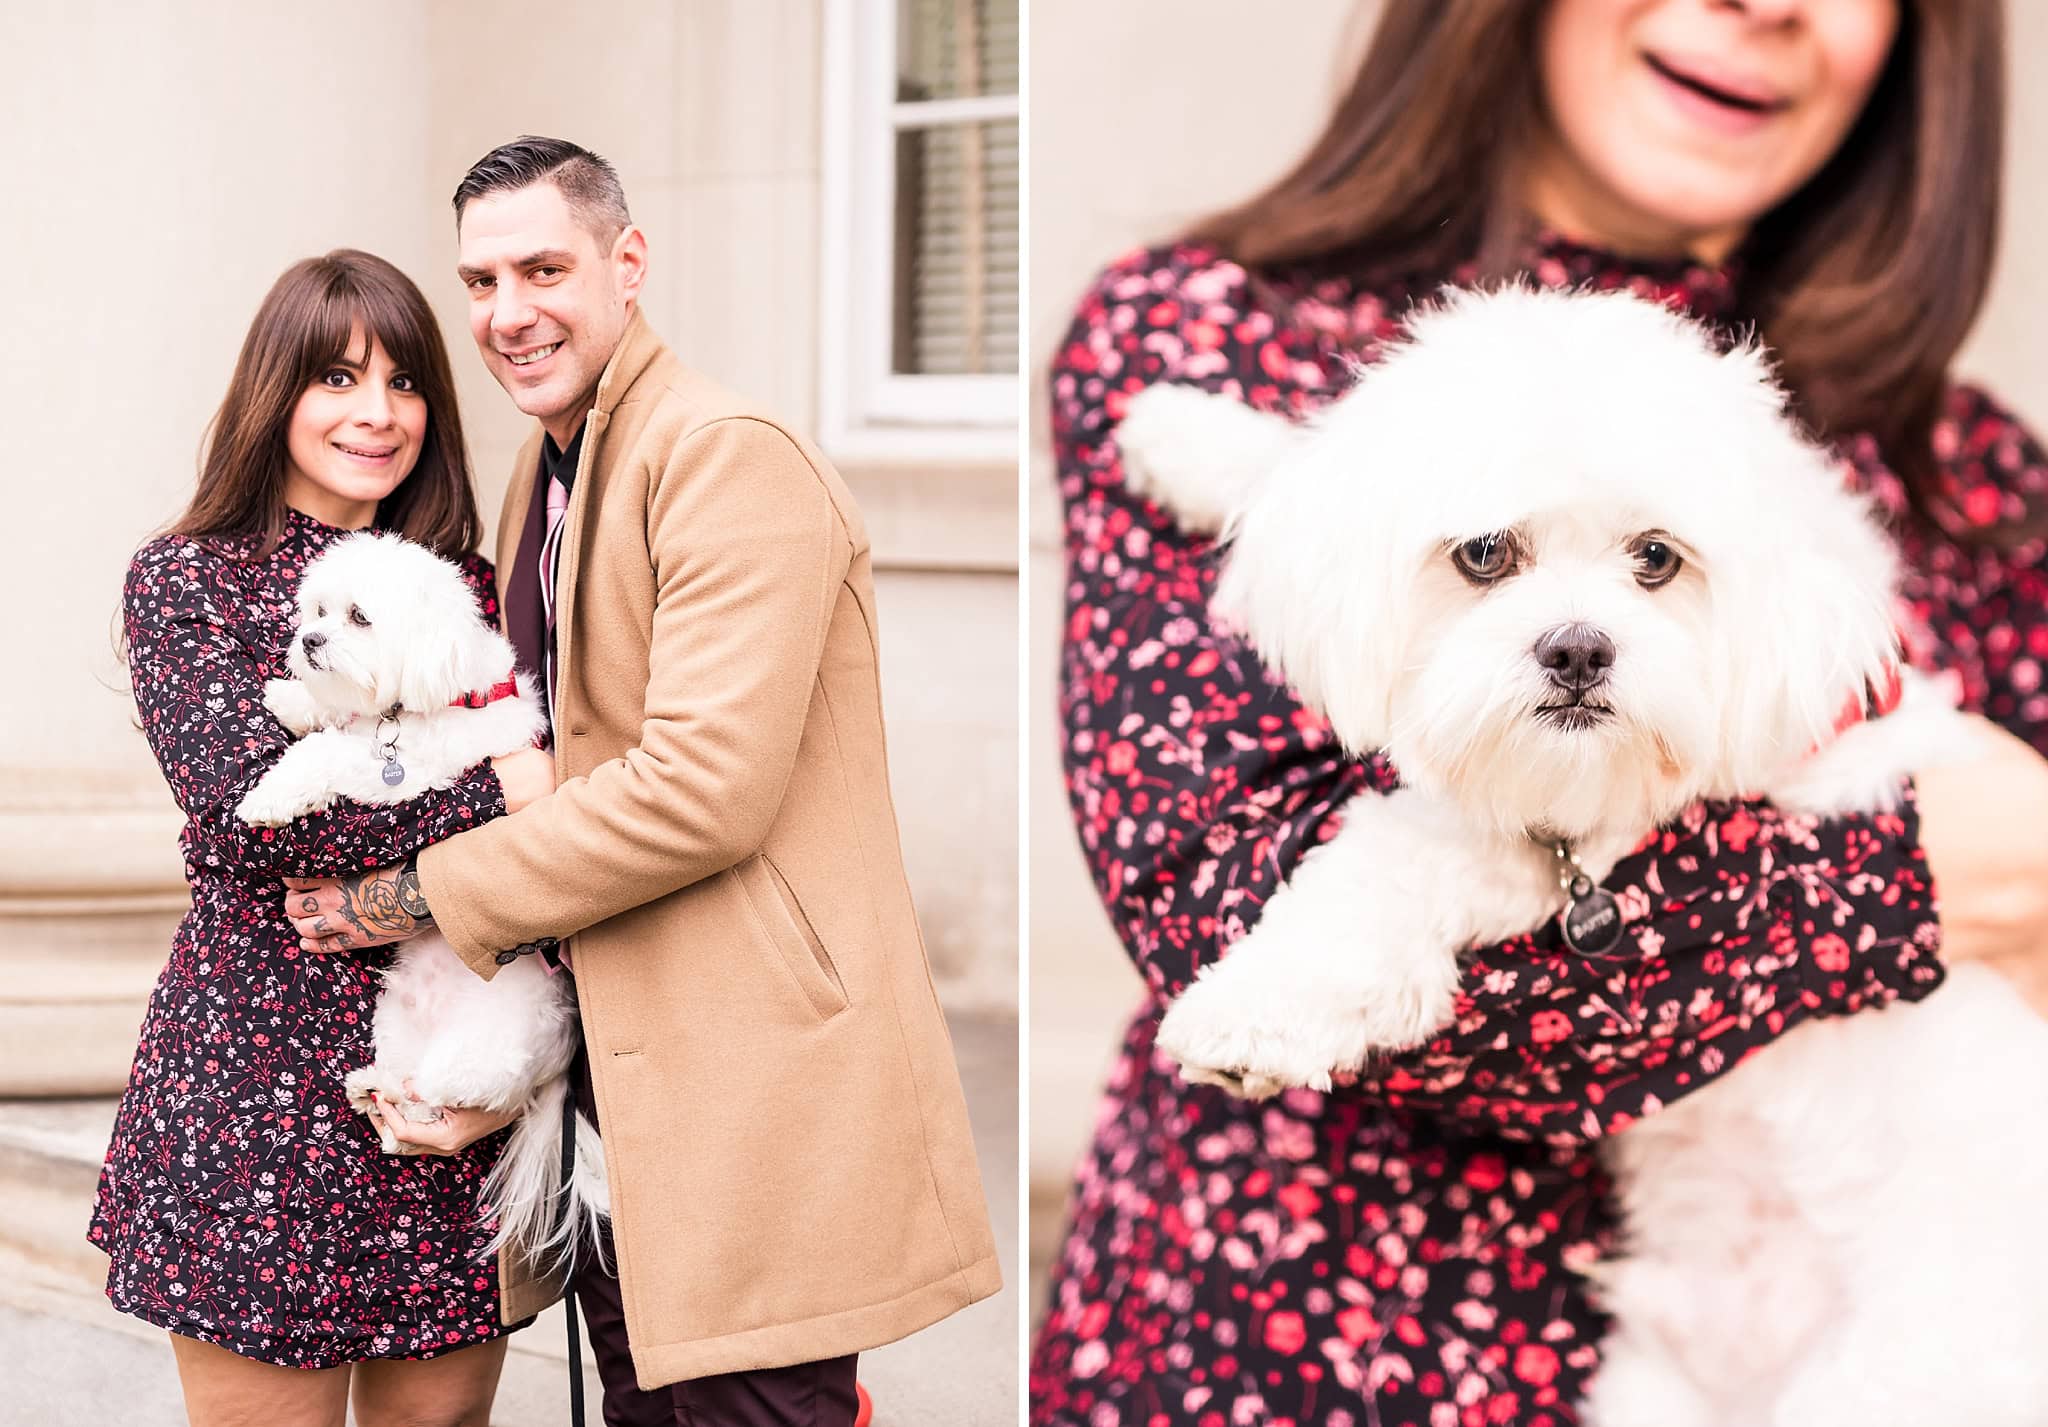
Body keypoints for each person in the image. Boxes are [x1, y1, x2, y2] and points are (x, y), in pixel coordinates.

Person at [1031, 2, 2048, 1423]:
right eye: (1493, 556)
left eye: (1653, 564)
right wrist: (1927, 875)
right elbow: (1224, 902)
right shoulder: (1197, 329)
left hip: (1895, 1308)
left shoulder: (1975, 476)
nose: (1760, 4)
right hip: (1297, 1369)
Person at [282, 137, 1002, 1425]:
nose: (510, 313)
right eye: (483, 280)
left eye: (544, 267)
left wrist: (408, 894)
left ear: (628, 263)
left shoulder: (725, 453)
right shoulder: (546, 465)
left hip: (749, 1061)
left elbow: (696, 787)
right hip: (624, 1053)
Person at [92, 249, 557, 1427]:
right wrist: (506, 787)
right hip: (257, 1071)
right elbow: (251, 812)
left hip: (454, 1049)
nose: (377, 413)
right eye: (339, 378)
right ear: (277, 393)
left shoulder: (470, 586)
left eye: (404, 383)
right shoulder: (188, 580)